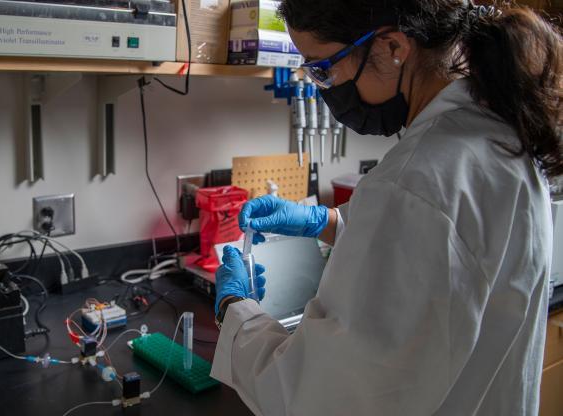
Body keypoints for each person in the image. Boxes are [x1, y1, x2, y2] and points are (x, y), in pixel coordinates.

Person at [211, 1, 562, 415]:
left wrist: (235, 310)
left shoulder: (417, 181)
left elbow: (317, 397)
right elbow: (445, 259)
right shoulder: (495, 134)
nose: (325, 89)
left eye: (323, 69)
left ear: (392, 46)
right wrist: (327, 222)